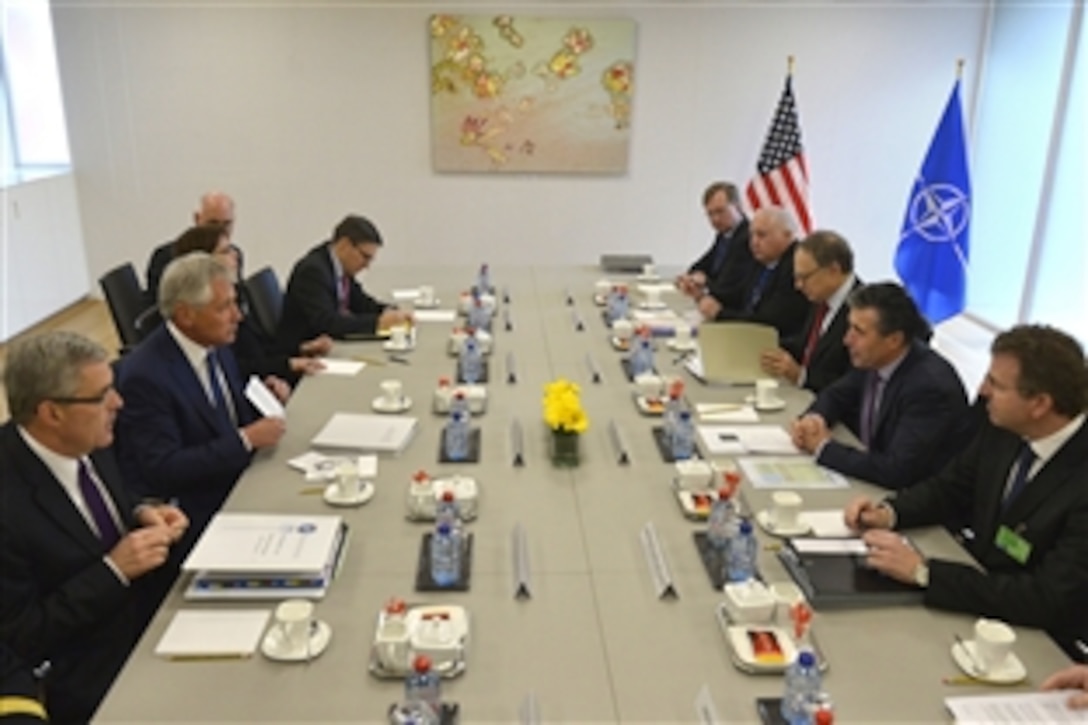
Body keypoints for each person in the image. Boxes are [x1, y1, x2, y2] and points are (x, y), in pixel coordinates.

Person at [844, 325, 1088, 658]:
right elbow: (951, 487)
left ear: (1040, 404)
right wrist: (889, 512)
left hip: (1041, 643)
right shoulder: (1002, 427)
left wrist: (924, 572)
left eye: (997, 385)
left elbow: (1048, 598)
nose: (982, 390)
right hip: (978, 600)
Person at [0, 331, 188, 722]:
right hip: (86, 674)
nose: (118, 402)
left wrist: (141, 511)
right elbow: (21, 635)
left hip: (152, 616)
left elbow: (114, 493)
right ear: (51, 413)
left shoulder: (87, 439)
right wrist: (114, 571)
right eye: (101, 396)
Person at [116, 253, 287, 544]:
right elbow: (164, 468)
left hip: (241, 477)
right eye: (225, 307)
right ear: (185, 315)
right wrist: (245, 439)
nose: (238, 315)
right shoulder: (146, 376)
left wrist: (261, 402)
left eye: (236, 303)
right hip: (200, 509)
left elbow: (223, 415)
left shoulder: (213, 342)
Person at [791, 282, 971, 489]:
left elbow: (897, 469)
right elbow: (836, 395)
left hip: (910, 500)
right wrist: (815, 419)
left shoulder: (930, 388)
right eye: (849, 327)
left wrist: (824, 448)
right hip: (870, 480)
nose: (847, 340)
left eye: (859, 332)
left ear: (893, 340)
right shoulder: (874, 357)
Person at [173, 224, 328, 384]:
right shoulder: (207, 317)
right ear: (203, 261)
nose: (236, 255)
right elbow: (237, 367)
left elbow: (258, 348)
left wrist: (301, 349)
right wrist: (287, 364)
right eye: (226, 251)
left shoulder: (239, 294)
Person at [277, 214, 412, 353]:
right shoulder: (313, 271)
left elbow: (359, 302)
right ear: (345, 245)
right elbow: (328, 323)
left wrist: (389, 311)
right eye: (365, 257)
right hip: (307, 351)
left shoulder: (338, 265)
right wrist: (377, 322)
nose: (367, 266)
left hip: (330, 344)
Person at [760, 230, 861, 392]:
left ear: (833, 270)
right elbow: (807, 346)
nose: (798, 286)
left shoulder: (864, 310)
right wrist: (768, 348)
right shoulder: (820, 299)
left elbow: (855, 383)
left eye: (804, 277)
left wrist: (801, 376)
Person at [699, 206, 810, 339]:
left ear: (788, 235)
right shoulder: (762, 259)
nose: (754, 242)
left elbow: (769, 321)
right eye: (752, 235)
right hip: (748, 335)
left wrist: (720, 314)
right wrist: (704, 294)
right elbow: (740, 294)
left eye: (761, 235)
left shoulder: (796, 266)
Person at [144, 191, 238, 307]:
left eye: (227, 224)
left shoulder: (234, 254)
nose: (221, 231)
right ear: (197, 219)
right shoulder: (167, 257)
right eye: (213, 223)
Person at [675, 181, 755, 310]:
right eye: (710, 214)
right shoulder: (724, 234)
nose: (715, 219)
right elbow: (704, 263)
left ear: (738, 207)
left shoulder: (748, 238)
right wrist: (691, 277)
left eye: (720, 211)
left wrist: (704, 281)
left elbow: (727, 285)